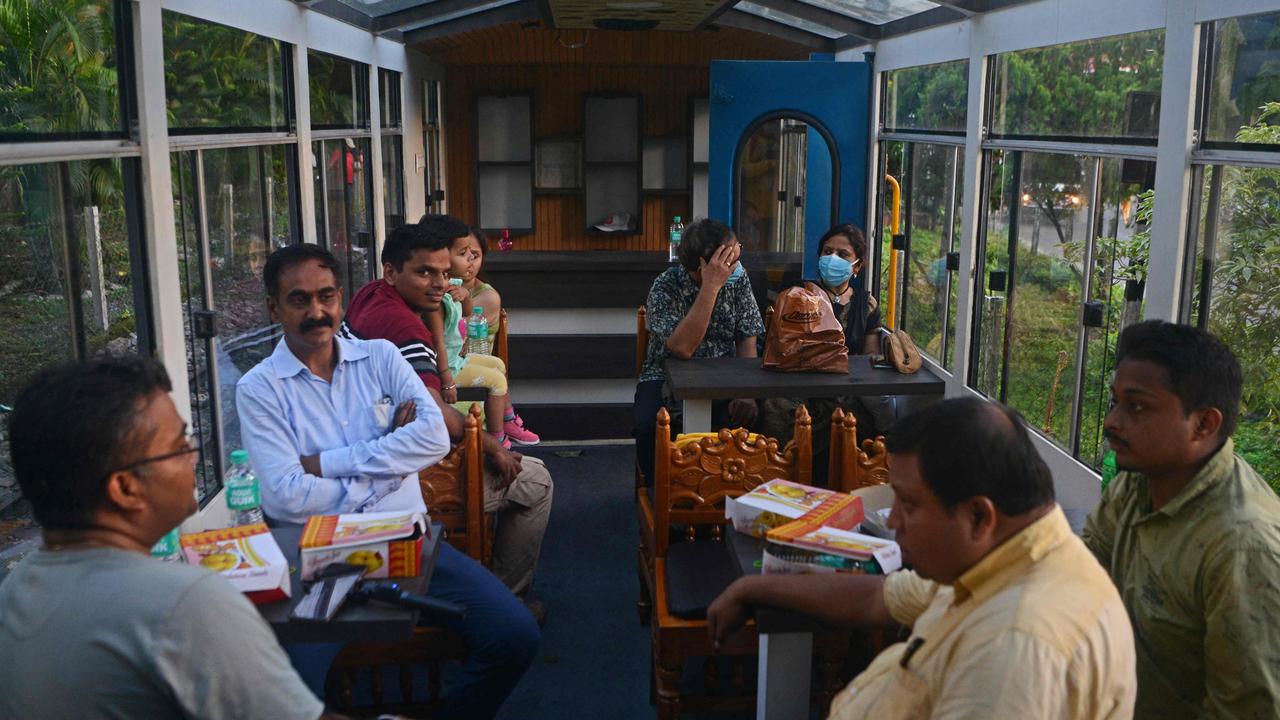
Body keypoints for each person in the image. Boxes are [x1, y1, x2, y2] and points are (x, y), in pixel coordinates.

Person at [235, 244, 539, 719]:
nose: (317, 312)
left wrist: (325, 463)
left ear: (340, 297)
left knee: (515, 635)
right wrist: (389, 468)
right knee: (290, 692)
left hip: (406, 543)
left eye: (326, 296)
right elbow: (286, 496)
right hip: (319, 559)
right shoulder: (258, 388)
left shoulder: (379, 357)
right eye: (299, 300)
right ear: (274, 307)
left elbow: (436, 437)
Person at [708, 397, 1137, 719]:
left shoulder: (1013, 652)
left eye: (909, 505)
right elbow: (876, 598)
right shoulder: (1001, 563)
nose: (892, 521)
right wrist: (755, 585)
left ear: (978, 515)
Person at [0, 355, 330, 719]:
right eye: (179, 446)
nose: (193, 456)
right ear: (125, 488)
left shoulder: (14, 591)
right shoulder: (184, 603)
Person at [341, 216, 553, 602]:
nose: (439, 283)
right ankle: (505, 598)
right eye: (424, 272)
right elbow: (436, 415)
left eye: (443, 272)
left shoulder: (369, 295)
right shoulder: (404, 328)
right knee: (536, 481)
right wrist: (494, 448)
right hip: (397, 480)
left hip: (364, 449)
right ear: (391, 272)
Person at [1082, 320, 1280, 719]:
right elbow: (1080, 576)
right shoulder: (1136, 485)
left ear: (1204, 424)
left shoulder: (1243, 546)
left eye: (1136, 406)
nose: (1112, 422)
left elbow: (1247, 711)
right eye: (1114, 402)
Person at [634, 218, 765, 486]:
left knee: (754, 419)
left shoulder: (738, 280)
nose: (737, 264)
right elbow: (682, 348)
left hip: (725, 374)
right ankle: (662, 501)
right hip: (664, 375)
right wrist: (711, 288)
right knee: (650, 426)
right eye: (729, 258)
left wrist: (747, 393)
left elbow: (747, 337)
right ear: (705, 265)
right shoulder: (665, 286)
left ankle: (722, 499)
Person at [760, 224, 885, 481]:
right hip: (797, 387)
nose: (833, 259)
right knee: (777, 408)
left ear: (857, 266)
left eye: (843, 254)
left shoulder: (866, 306)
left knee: (858, 421)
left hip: (842, 390)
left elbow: (868, 359)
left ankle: (843, 486)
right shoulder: (800, 296)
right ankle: (783, 482)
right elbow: (784, 347)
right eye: (827, 252)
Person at [423, 222, 539, 448]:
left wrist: (464, 295)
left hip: (457, 359)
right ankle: (497, 438)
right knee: (496, 380)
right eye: (463, 253)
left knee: (497, 364)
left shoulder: (459, 289)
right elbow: (438, 340)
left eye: (474, 254)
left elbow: (467, 314)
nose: (469, 260)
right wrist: (446, 381)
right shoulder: (437, 297)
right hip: (448, 367)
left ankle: (507, 420)